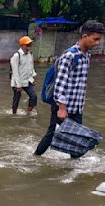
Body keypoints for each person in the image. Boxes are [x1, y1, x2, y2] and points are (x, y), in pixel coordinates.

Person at [34, 21, 104, 158]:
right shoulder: (70, 56)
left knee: (77, 138)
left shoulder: (87, 54)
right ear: (85, 36)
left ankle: (73, 171)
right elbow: (61, 82)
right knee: (52, 133)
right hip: (63, 106)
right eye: (95, 39)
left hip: (77, 106)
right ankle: (36, 157)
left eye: (99, 40)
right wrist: (61, 108)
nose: (97, 43)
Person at [10, 36, 37, 115]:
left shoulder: (30, 54)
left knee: (34, 96)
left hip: (28, 80)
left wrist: (33, 77)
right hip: (17, 82)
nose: (29, 46)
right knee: (16, 99)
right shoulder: (16, 56)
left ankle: (29, 113)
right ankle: (13, 114)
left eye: (30, 44)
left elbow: (31, 67)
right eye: (27, 44)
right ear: (22, 45)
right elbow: (15, 72)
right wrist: (18, 85)